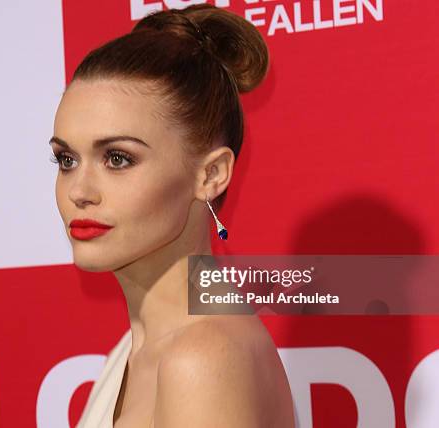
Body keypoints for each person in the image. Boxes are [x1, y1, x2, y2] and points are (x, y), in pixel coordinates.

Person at [49, 4, 295, 427]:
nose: (79, 192)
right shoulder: (132, 351)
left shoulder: (201, 359)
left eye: (118, 158)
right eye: (67, 159)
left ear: (210, 174)